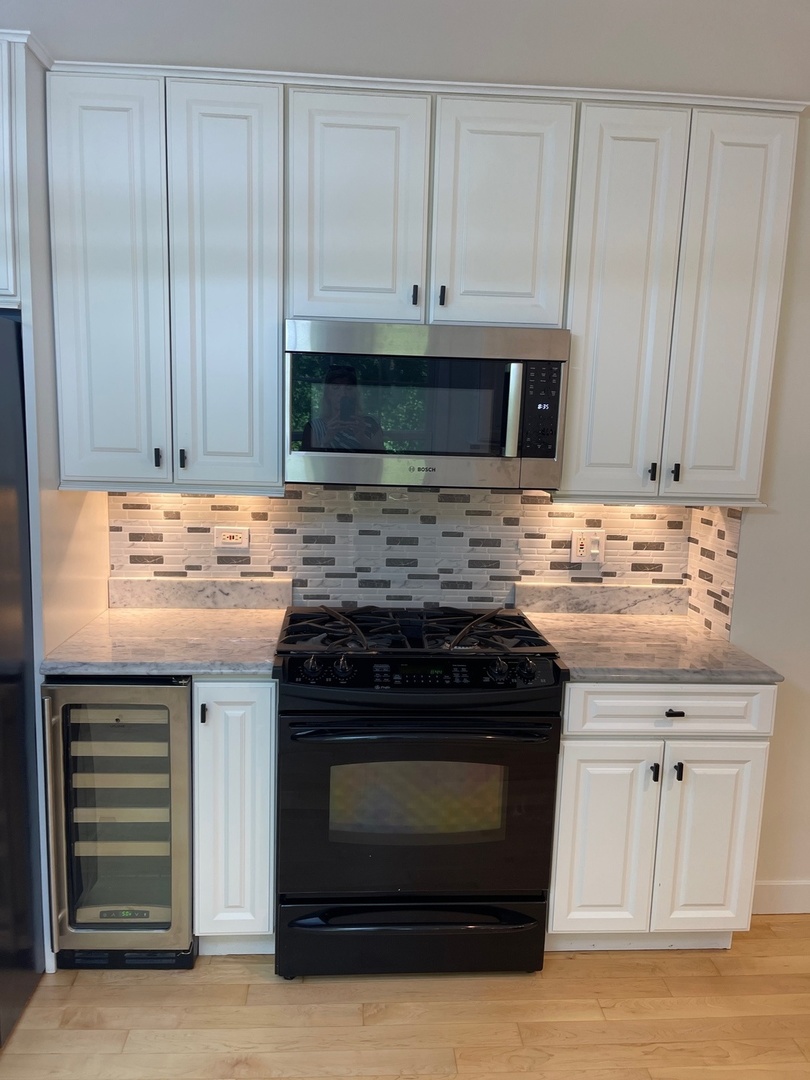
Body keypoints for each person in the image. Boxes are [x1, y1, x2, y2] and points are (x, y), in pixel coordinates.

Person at [302, 366, 384, 451]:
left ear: (355, 394)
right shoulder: (314, 428)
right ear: (327, 394)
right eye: (335, 388)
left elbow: (382, 460)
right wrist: (327, 438)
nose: (343, 393)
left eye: (348, 388)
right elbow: (308, 462)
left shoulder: (370, 424)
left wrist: (362, 437)